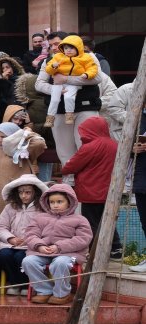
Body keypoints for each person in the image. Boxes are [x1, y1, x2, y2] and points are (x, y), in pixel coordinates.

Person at [34, 31, 104, 172]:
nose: (54, 47)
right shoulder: (49, 61)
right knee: (64, 149)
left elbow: (97, 77)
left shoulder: (88, 56)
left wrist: (67, 80)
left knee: (87, 146)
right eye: (51, 45)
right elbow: (39, 84)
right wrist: (57, 89)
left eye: (57, 44)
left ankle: (88, 179)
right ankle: (69, 180)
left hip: (86, 107)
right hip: (59, 110)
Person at [0, 122, 47, 248]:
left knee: (10, 232)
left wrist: (22, 134)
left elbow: (39, 143)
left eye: (4, 137)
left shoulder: (24, 148)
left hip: (14, 200)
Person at [59, 116, 122, 259]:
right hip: (110, 191)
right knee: (107, 220)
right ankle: (116, 248)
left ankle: (95, 252)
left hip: (91, 192)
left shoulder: (90, 147)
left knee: (91, 223)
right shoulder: (115, 144)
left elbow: (70, 166)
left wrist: (65, 167)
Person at [21, 184, 92, 305]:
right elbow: (30, 234)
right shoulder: (40, 218)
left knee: (60, 263)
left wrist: (59, 247)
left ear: (69, 202)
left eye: (60, 201)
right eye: (52, 202)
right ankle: (44, 290)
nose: (55, 205)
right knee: (28, 261)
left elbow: (83, 239)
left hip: (68, 253)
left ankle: (62, 294)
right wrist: (40, 246)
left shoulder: (80, 219)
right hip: (42, 251)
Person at [0, 174, 48, 296]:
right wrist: (10, 238)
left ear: (36, 192)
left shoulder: (43, 209)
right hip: (10, 244)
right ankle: (14, 283)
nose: (23, 196)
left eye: (28, 192)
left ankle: (24, 284)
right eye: (20, 192)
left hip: (32, 246)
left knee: (20, 257)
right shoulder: (10, 207)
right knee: (3, 255)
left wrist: (31, 240)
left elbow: (47, 229)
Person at [43, 35, 98, 127]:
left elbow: (93, 68)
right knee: (54, 100)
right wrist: (54, 66)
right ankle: (50, 118)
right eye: (66, 48)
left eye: (71, 48)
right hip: (58, 84)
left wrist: (87, 74)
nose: (68, 50)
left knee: (69, 97)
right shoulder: (58, 57)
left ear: (79, 47)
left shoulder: (86, 57)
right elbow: (48, 70)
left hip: (73, 83)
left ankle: (69, 115)